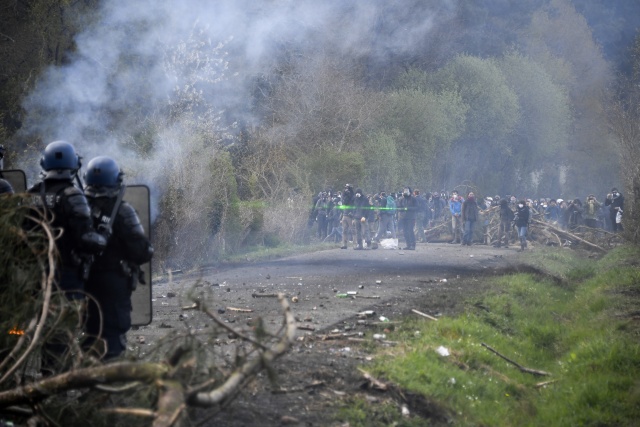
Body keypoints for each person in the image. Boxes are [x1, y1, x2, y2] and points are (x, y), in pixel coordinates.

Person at [27, 141, 106, 373]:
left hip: (37, 278)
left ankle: (47, 379)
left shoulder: (31, 195)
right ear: (73, 166)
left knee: (47, 333)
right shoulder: (73, 196)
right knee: (62, 336)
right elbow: (87, 240)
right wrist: (103, 237)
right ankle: (55, 389)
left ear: (45, 164)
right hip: (67, 279)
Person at [84, 156, 153, 359]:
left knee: (89, 334)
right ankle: (108, 384)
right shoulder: (122, 211)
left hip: (83, 282)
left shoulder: (77, 207)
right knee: (112, 340)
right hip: (113, 284)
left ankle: (84, 379)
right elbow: (142, 251)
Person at [340, 184, 355, 249]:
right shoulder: (345, 195)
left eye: (347, 188)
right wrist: (344, 193)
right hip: (345, 214)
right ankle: (344, 244)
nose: (346, 189)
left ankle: (355, 244)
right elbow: (343, 202)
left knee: (353, 230)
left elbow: (353, 203)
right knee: (344, 230)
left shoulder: (352, 196)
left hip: (350, 215)